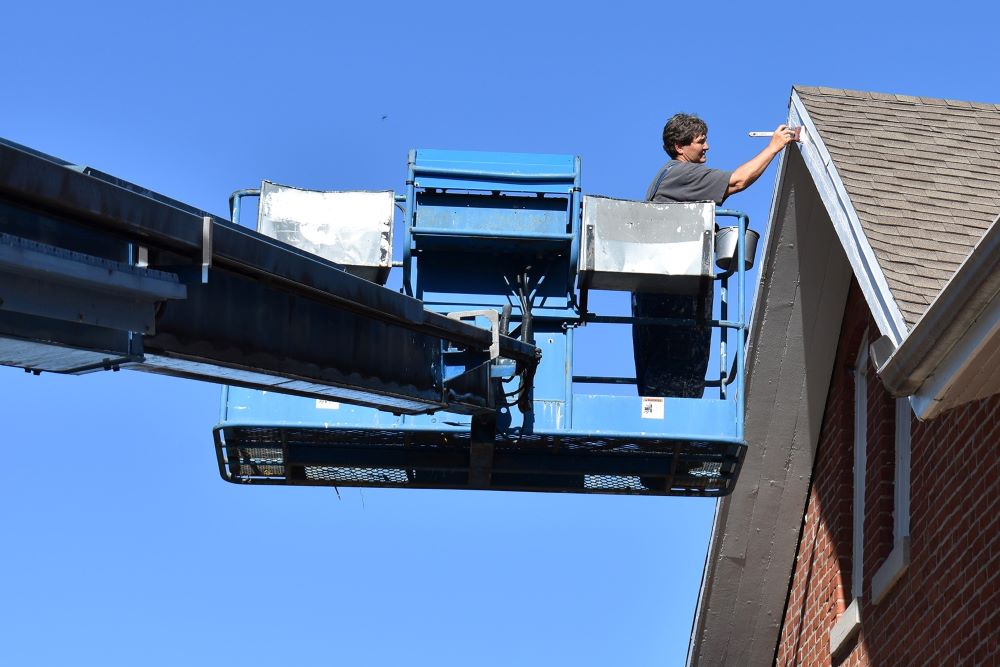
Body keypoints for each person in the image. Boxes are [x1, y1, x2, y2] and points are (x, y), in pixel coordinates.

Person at [633, 113, 796, 398]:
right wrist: (774, 146)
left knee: (667, 377)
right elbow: (737, 182)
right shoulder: (681, 174)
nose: (706, 147)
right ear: (680, 147)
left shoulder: (666, 178)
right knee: (675, 377)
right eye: (700, 141)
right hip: (674, 293)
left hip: (664, 291)